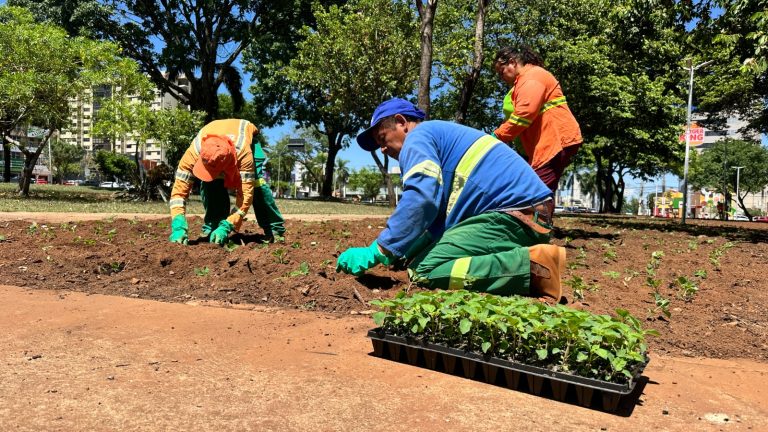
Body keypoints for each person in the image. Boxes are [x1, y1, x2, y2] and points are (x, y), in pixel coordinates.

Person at [336, 98, 567, 302]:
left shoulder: (417, 138)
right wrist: (405, 247)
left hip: (512, 215)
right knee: (422, 258)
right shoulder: (439, 137)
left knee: (425, 269)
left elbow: (421, 199)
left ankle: (532, 268)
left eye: (382, 138)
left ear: (401, 122)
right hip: (527, 215)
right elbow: (438, 215)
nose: (383, 149)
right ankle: (523, 257)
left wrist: (380, 249)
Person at [168, 119, 286, 245]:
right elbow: (179, 192)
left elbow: (245, 197)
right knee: (210, 183)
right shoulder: (194, 153)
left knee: (257, 186)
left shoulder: (244, 154)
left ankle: (274, 229)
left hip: (249, 144)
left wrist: (228, 225)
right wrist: (178, 224)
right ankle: (213, 225)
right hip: (215, 136)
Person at [493, 45, 582, 192]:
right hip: (550, 141)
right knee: (541, 190)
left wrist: (497, 136)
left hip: (554, 140)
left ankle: (536, 214)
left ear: (512, 62)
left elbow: (523, 115)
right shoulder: (526, 80)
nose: (501, 77)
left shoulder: (531, 78)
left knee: (535, 192)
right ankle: (540, 214)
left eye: (501, 72)